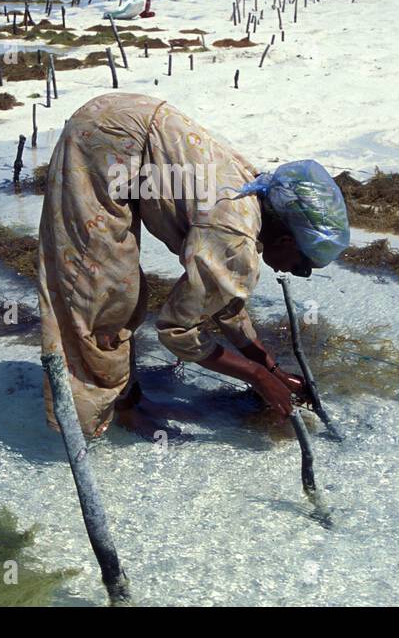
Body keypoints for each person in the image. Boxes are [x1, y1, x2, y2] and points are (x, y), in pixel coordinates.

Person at [36, 93, 351, 438]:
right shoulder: (234, 235)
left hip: (124, 125)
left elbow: (224, 301)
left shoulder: (257, 196)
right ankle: (107, 417)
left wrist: (271, 368)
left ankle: (126, 398)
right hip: (103, 141)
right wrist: (256, 377)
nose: (296, 274)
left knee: (117, 291)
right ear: (287, 241)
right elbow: (177, 332)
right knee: (101, 294)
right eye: (303, 266)